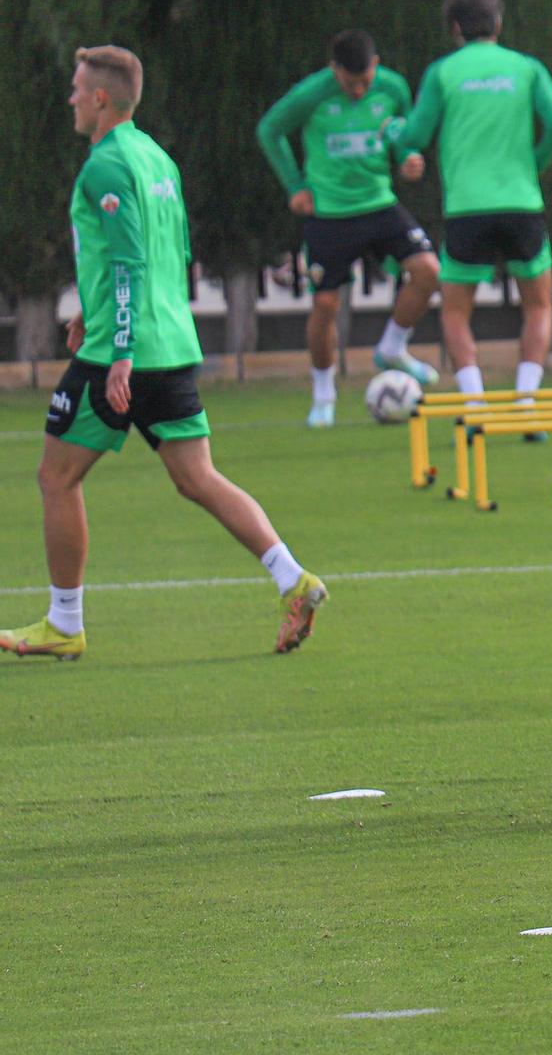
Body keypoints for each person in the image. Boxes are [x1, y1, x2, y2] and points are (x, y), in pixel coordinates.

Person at [1, 47, 326, 661]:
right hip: (171, 343)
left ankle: (64, 622)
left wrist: (118, 347)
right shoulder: (158, 159)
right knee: (196, 477)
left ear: (101, 99)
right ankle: (294, 579)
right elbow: (168, 258)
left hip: (122, 356)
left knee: (56, 476)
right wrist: (97, 318)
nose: (70, 98)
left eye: (76, 90)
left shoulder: (104, 165)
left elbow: (129, 260)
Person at [387, 0, 552, 405]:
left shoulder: (443, 72)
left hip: (467, 207)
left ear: (454, 28)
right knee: (538, 305)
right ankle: (526, 399)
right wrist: (534, 163)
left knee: (455, 310)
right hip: (522, 201)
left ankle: (474, 401)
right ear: (499, 23)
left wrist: (394, 133)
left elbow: (415, 134)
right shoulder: (525, 68)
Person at [255, 28, 444, 427]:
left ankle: (392, 348)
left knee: (427, 270)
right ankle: (324, 393)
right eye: (349, 82)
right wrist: (295, 185)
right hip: (330, 213)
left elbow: (402, 136)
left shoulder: (393, 87)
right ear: (334, 70)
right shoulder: (311, 94)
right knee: (325, 304)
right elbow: (269, 130)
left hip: (379, 203)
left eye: (365, 81)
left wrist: (408, 158)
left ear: (376, 66)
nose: (358, 90)